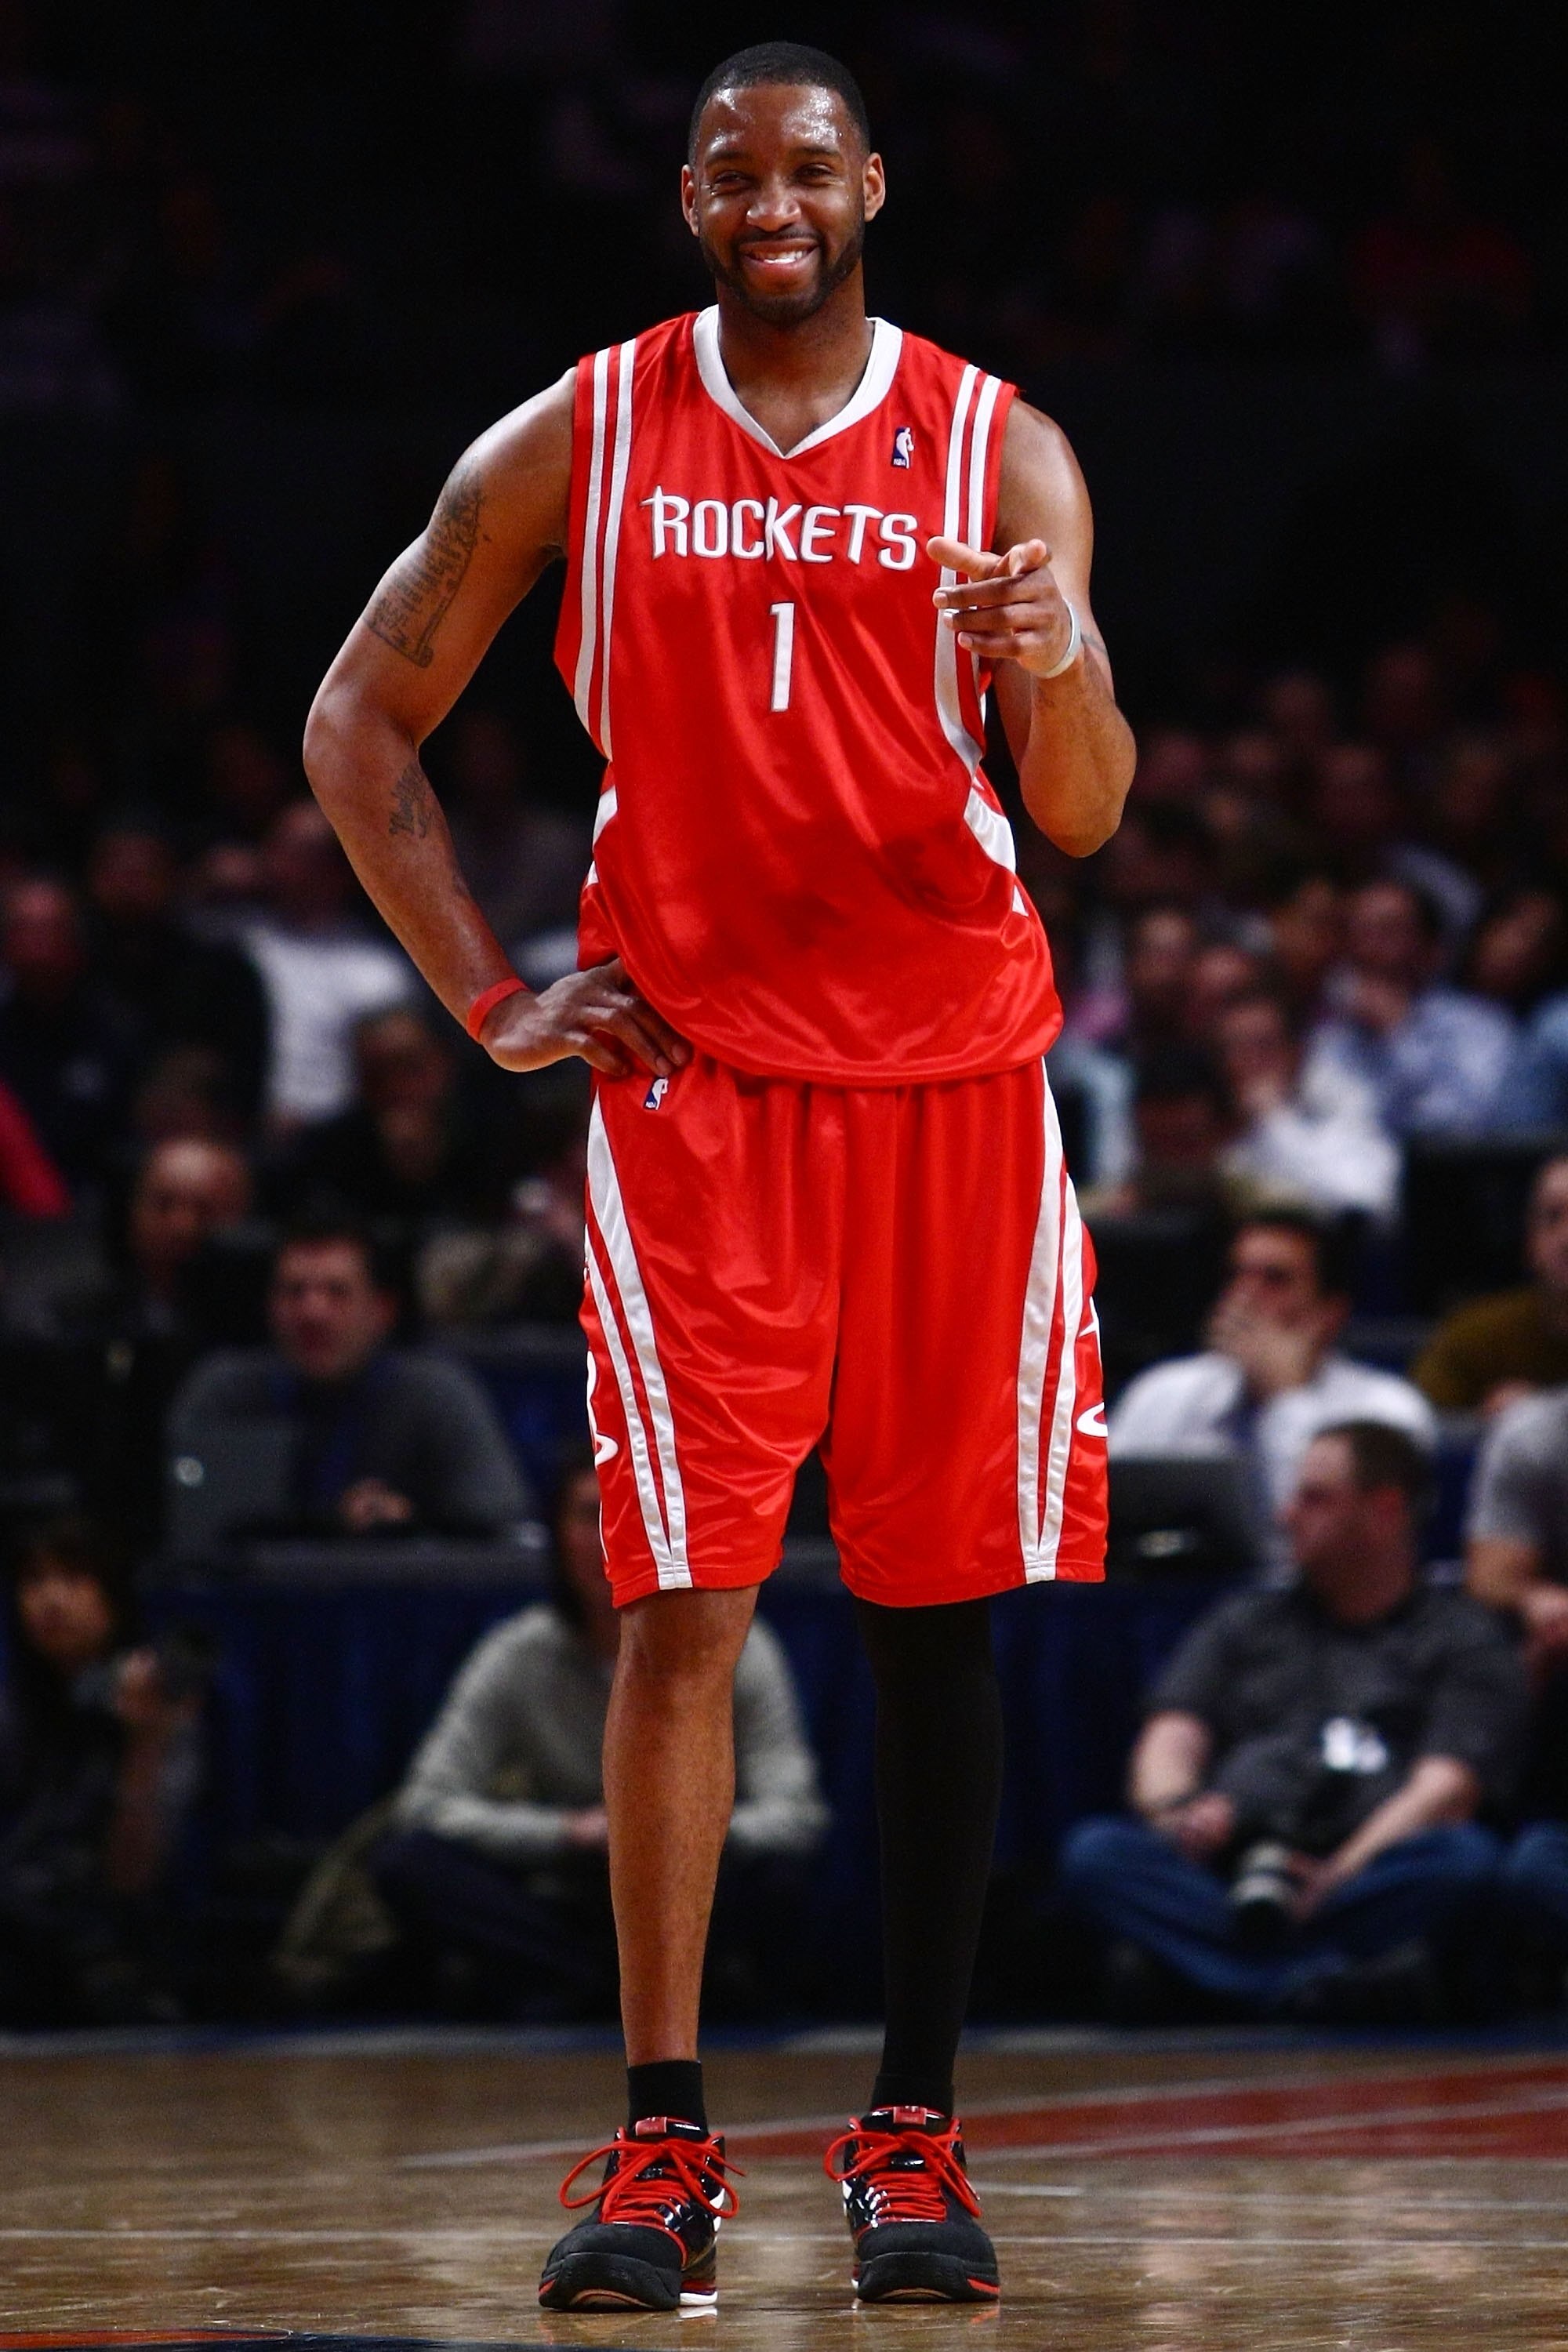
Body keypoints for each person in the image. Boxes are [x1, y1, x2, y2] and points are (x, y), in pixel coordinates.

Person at [302, 40, 1133, 2313]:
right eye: (734, 170)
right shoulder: (575, 436)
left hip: (958, 1087)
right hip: (702, 1095)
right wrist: (491, 998)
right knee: (682, 1603)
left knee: (935, 1609)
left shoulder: (998, 445)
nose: (776, 201)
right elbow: (357, 719)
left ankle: (913, 2134)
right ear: (689, 197)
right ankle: (662, 2141)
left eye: (811, 168)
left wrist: (1057, 660)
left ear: (871, 187)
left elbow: (1080, 804)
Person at [1059, 1424, 1524, 2021]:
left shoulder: (1462, 1637)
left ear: (1385, 1511)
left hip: (1364, 1871)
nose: (1286, 1516)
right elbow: (1170, 1736)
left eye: (1315, 1498)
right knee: (1097, 1854)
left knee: (1466, 1860)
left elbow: (1447, 1790)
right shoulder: (1246, 1621)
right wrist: (1179, 1811)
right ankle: (1311, 1983)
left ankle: (1210, 1977)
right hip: (1229, 1869)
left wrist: (1339, 1873)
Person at [372, 1450, 828, 2018]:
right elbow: (426, 1805)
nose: (614, 1536)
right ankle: (611, 1989)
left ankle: (607, 1991)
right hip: (568, 1887)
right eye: (592, 1515)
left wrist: (677, 1832)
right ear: (557, 1536)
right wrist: (568, 1833)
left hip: (686, 1886)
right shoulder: (518, 1653)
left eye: (636, 1513)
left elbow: (796, 1814)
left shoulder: (735, 1644)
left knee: (778, 1877)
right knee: (409, 1865)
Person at [1109, 1208, 1435, 1573]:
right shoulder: (1161, 1391)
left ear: (1330, 1313)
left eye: (1275, 1279)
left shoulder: (1388, 1411)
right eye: (1236, 1275)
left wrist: (1285, 1401)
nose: (1245, 1296)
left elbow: (1329, 1548)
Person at [166, 1217, 533, 1540]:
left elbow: (500, 1518)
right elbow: (181, 1528)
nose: (312, 1312)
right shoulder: (224, 1392)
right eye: (294, 1292)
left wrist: (413, 1524)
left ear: (382, 1310)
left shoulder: (436, 1394)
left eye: (337, 1292)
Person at [1, 1515, 204, 2024]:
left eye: (74, 1578)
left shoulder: (158, 1698)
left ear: (113, 1595)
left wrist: (145, 1745)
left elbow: (132, 1879)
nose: (51, 1600)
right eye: (34, 1581)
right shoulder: (16, 1705)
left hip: (116, 1947)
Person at [238, 801, 414, 1131]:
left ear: (343, 866)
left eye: (307, 854)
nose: (284, 865)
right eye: (280, 849)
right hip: (243, 1126)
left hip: (341, 1135)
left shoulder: (377, 970)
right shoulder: (239, 946)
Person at [1304, 877, 1514, 1137]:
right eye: (1356, 931)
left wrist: (1398, 1033)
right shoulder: (1329, 1031)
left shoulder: (1479, 1027)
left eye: (1388, 931)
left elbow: (1462, 1123)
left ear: (1432, 950)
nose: (1368, 946)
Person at [1216, 985, 1399, 1221]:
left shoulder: (1341, 1117)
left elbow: (1366, 1200)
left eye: (1264, 1045)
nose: (1251, 1060)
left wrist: (1274, 1122)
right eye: (1235, 1047)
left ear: (1295, 1053)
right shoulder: (1206, 1132)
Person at [1415, 1154, 1568, 1413]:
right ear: (1529, 1239)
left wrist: (1540, 1412)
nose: (1566, 1238)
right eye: (1552, 1217)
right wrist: (1485, 1421)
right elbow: (1418, 1420)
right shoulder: (1474, 1337)